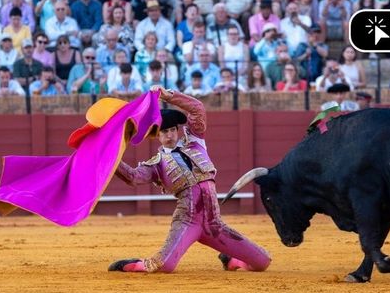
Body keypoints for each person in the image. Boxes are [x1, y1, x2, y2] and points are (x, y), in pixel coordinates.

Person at [108, 89, 272, 274]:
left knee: (262, 262)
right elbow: (132, 177)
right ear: (157, 136)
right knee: (164, 265)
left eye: (172, 130)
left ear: (177, 130)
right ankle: (133, 264)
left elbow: (197, 109)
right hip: (187, 221)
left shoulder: (195, 142)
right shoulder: (157, 164)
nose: (169, 135)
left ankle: (232, 260)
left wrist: (167, 95)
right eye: (164, 132)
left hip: (214, 224)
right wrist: (109, 156)